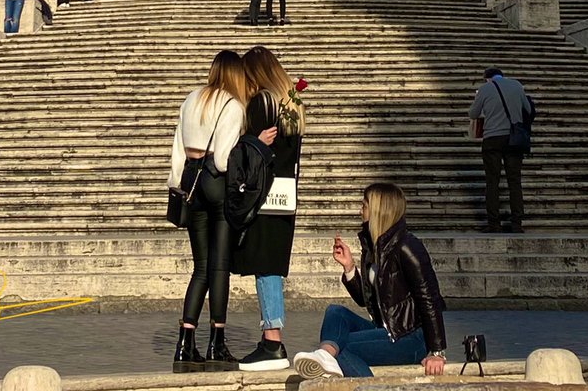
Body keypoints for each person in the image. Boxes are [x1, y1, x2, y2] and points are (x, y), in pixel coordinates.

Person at [169, 51, 276, 373]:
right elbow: (222, 159)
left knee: (199, 267)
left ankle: (185, 342)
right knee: (219, 267)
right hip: (216, 183)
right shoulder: (231, 105)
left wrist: (177, 183)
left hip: (189, 181)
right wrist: (255, 143)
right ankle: (217, 340)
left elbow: (177, 146)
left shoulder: (191, 98)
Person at [292, 183, 446, 379]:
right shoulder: (374, 246)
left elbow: (430, 299)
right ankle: (325, 356)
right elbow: (367, 300)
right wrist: (349, 268)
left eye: (364, 206)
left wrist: (437, 352)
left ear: (377, 210)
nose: (360, 211)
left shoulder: (408, 247)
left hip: (411, 337)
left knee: (345, 347)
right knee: (335, 313)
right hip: (386, 330)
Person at [236, 47, 305, 372]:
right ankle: (271, 338)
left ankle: (272, 341)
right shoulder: (290, 103)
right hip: (283, 195)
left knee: (265, 268)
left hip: (264, 195)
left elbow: (259, 148)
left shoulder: (262, 102)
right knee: (271, 267)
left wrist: (247, 141)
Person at [468, 67, 534, 233]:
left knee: (492, 181)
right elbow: (528, 110)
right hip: (514, 139)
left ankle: (494, 224)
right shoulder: (517, 86)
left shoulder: (485, 89)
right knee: (514, 181)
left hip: (492, 139)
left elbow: (473, 113)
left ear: (488, 79)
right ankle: (517, 223)